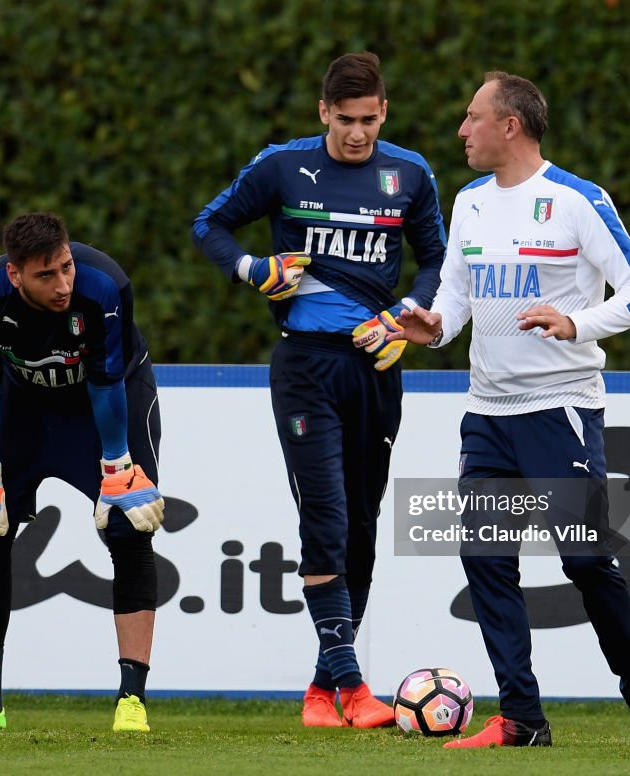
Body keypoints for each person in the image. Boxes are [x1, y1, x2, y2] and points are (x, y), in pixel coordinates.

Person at [391, 72, 630, 748]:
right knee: (486, 557)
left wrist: (576, 324)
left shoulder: (578, 201)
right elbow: (459, 300)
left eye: (472, 117)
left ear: (510, 126)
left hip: (561, 411)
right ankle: (522, 718)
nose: (462, 131)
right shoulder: (467, 203)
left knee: (585, 560)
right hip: (487, 415)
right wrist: (433, 328)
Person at [191, 52, 446, 728]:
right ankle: (356, 688)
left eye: (368, 120)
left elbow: (437, 264)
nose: (357, 134)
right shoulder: (283, 165)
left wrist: (407, 313)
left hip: (378, 368)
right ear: (323, 112)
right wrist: (252, 267)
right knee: (326, 521)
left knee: (360, 527)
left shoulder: (411, 174)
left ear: (383, 111)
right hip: (305, 366)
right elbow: (208, 225)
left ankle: (320, 690)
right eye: (344, 120)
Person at [0, 212, 165, 733]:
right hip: (23, 404)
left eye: (66, 267)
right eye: (46, 275)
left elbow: (106, 381)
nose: (63, 284)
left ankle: (131, 702)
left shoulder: (105, 287)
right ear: (15, 274)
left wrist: (118, 466)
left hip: (104, 401)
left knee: (128, 524)